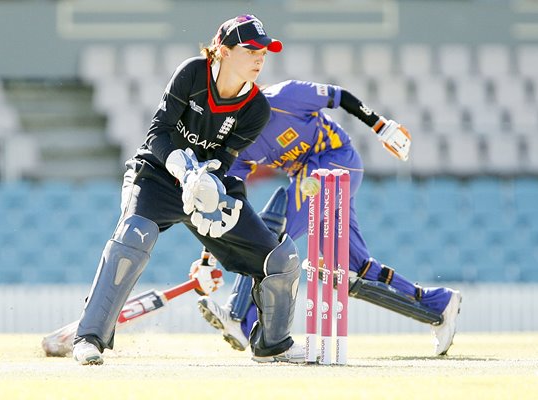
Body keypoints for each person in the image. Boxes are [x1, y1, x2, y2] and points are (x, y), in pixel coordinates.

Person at [72, 15, 306, 365]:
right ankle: (88, 338)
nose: (260, 58)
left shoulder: (257, 108)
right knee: (134, 236)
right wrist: (181, 167)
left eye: (265, 51)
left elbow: (225, 158)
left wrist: (209, 183)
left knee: (281, 261)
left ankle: (273, 345)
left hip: (209, 191)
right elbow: (158, 133)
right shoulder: (193, 74)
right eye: (251, 49)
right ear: (223, 51)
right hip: (157, 176)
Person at [195, 79, 462, 356]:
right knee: (351, 269)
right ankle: (437, 304)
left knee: (270, 236)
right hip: (309, 178)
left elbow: (340, 95)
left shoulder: (285, 96)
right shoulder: (238, 143)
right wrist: (207, 258)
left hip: (337, 159)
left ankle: (239, 319)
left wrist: (380, 126)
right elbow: (226, 201)